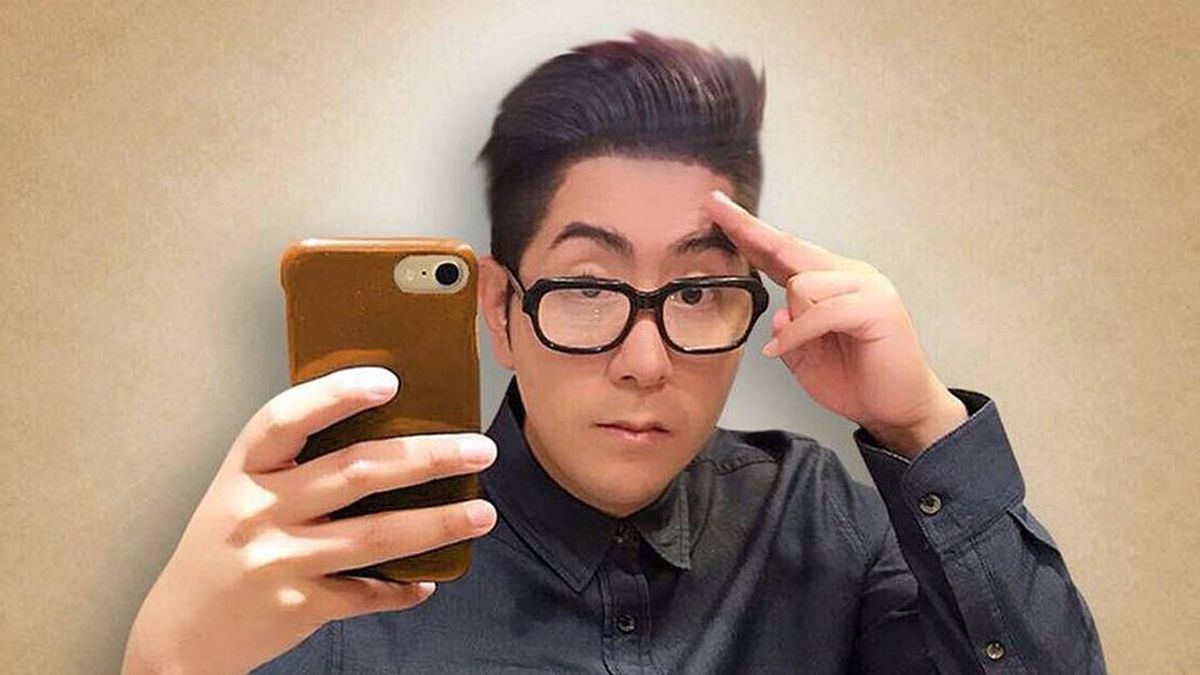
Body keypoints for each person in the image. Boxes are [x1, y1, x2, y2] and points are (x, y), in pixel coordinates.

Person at [122, 30, 1107, 674]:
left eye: (698, 292)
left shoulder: (821, 524)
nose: (645, 361)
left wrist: (920, 421)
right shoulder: (352, 568)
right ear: (502, 309)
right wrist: (169, 658)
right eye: (588, 290)